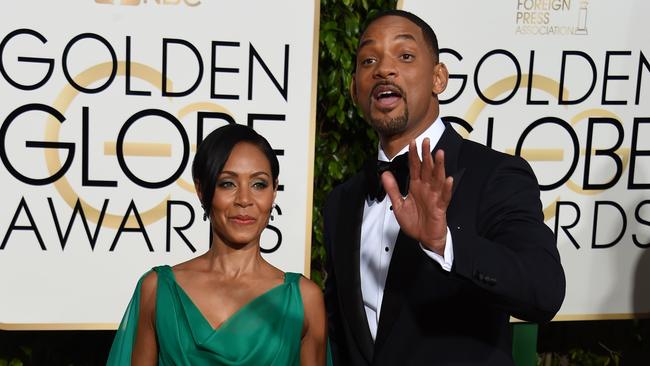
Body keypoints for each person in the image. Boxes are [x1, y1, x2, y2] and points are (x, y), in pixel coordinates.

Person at [323, 10, 566, 366]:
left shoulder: (494, 174)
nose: (383, 70)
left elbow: (544, 292)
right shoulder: (342, 201)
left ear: (439, 78)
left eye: (405, 56)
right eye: (368, 60)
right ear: (354, 89)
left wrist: (444, 244)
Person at [107, 124, 328, 365]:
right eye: (227, 184)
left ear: (274, 191)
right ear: (202, 190)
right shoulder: (157, 290)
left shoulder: (304, 300)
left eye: (259, 184)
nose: (244, 200)